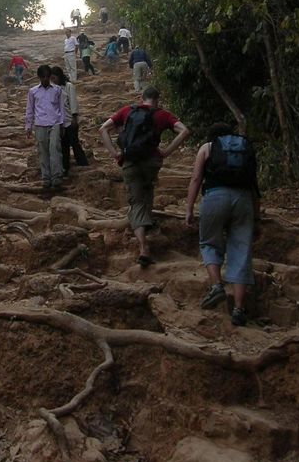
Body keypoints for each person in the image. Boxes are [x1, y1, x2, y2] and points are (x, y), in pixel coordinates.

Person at [100, 86, 189, 266]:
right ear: (158, 99)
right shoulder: (163, 114)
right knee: (147, 187)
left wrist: (115, 154)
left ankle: (143, 247)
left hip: (130, 161)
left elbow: (103, 129)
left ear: (142, 98)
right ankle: (146, 223)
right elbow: (185, 131)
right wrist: (166, 152)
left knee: (136, 201)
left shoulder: (128, 111)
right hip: (152, 162)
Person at [184, 123, 261, 327]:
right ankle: (238, 309)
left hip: (215, 197)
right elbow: (254, 185)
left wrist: (189, 208)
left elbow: (196, 179)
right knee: (241, 252)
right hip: (244, 200)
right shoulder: (244, 149)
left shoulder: (207, 148)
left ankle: (217, 285)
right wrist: (257, 217)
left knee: (209, 243)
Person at [25, 64, 65, 189]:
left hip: (55, 123)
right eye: (43, 77)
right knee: (42, 151)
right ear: (39, 77)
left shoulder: (57, 90)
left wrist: (62, 124)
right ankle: (46, 177)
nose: (46, 80)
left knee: (55, 149)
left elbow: (61, 107)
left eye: (47, 77)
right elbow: (30, 109)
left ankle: (57, 176)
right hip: (40, 124)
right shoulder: (33, 91)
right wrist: (28, 125)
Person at [50, 66, 89, 173]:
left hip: (70, 120)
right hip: (60, 122)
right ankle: (65, 168)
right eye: (51, 79)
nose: (53, 81)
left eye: (54, 78)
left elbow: (73, 102)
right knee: (64, 145)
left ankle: (83, 164)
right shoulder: (53, 88)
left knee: (74, 143)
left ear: (59, 76)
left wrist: (74, 117)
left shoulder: (69, 86)